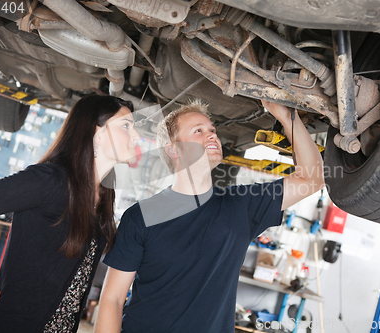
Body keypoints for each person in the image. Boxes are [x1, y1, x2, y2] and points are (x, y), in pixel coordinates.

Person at [95, 100, 324, 333]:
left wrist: (288, 117)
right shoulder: (141, 216)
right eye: (199, 131)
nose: (212, 135)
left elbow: (312, 179)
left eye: (213, 130)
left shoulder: (242, 205)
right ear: (174, 149)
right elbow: (112, 299)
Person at [0, 94, 140, 333]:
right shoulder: (49, 180)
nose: (136, 136)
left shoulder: (103, 199)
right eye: (126, 126)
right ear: (97, 134)